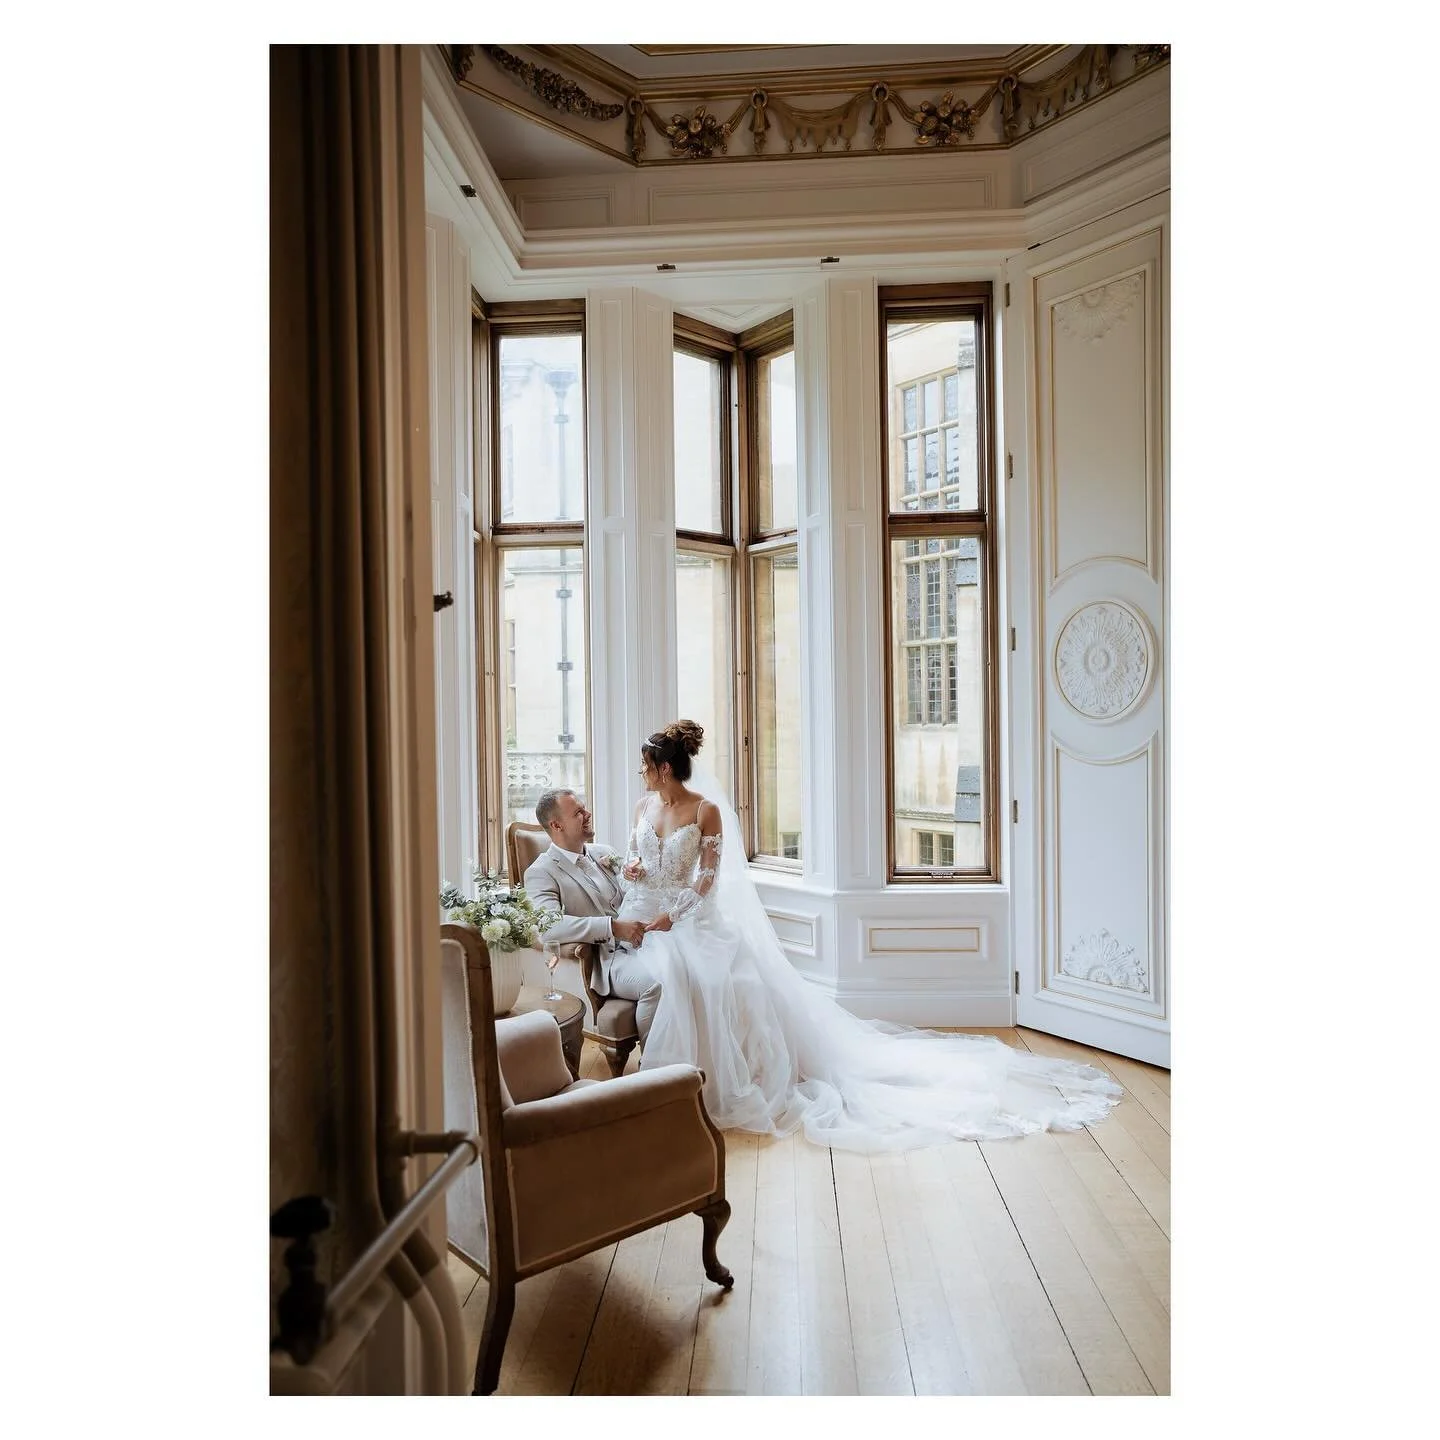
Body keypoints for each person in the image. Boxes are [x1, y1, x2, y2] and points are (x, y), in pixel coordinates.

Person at [613, 720, 1121, 1152]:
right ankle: (663, 1090)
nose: (642, 773)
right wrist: (635, 869)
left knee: (705, 978)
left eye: (646, 766)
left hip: (687, 921)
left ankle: (695, 1090)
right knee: (672, 977)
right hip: (643, 916)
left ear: (665, 768)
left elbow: (707, 879)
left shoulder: (705, 811)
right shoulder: (643, 807)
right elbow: (639, 857)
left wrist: (673, 916)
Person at [523, 788, 662, 1052]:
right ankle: (653, 1066)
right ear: (556, 825)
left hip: (646, 943)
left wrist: (639, 879)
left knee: (688, 968)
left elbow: (631, 896)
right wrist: (612, 928)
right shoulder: (541, 872)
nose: (587, 814)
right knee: (656, 982)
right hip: (607, 959)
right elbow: (549, 926)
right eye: (578, 812)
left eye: (584, 808)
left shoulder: (603, 852)